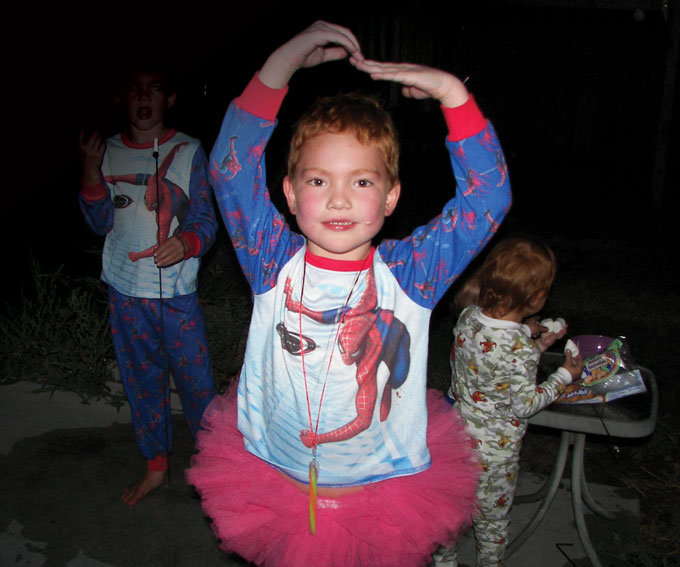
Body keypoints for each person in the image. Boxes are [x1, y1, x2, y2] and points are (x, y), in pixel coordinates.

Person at [186, 21, 511, 567]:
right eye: (318, 181)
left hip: (379, 497)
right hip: (279, 483)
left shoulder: (412, 273)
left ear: (391, 196)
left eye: (361, 181)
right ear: (289, 193)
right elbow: (227, 168)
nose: (339, 199)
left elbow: (490, 197)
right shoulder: (271, 259)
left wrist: (454, 96)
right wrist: (279, 66)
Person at [78, 64, 218, 506]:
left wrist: (188, 241)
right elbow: (99, 221)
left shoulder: (191, 150)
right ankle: (156, 467)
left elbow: (206, 219)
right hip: (125, 293)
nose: (145, 98)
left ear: (169, 99)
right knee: (143, 383)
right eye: (135, 89)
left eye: (155, 89)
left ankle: (214, 466)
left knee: (198, 384)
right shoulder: (108, 151)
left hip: (177, 297)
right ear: (122, 98)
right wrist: (89, 168)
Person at [445, 237, 583, 567]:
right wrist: (564, 376)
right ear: (537, 297)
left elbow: (492, 366)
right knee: (492, 525)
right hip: (496, 455)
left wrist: (535, 338)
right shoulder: (518, 346)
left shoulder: (468, 317)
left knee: (448, 514)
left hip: (454, 440)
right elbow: (525, 405)